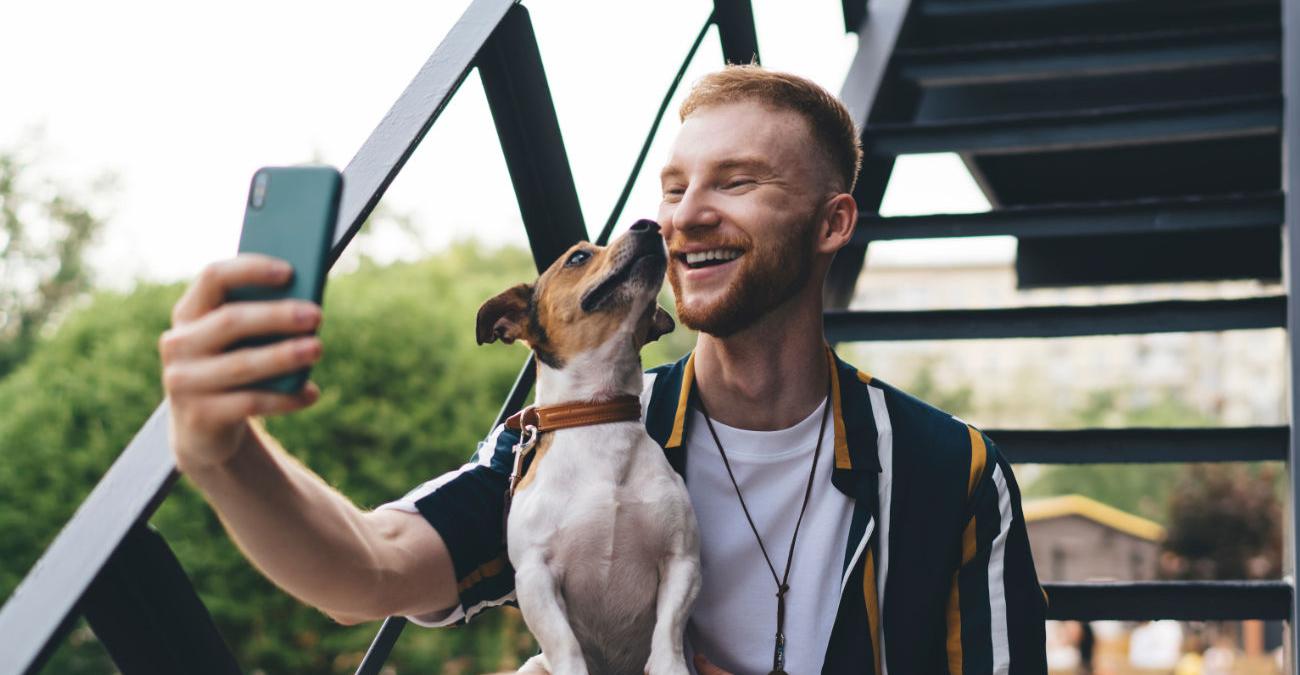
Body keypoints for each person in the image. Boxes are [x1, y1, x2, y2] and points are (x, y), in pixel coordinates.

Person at [159, 64, 1048, 674]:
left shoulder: (952, 473)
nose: (685, 214)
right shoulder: (568, 435)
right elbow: (370, 568)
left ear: (831, 224)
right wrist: (221, 453)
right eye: (672, 187)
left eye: (735, 182)